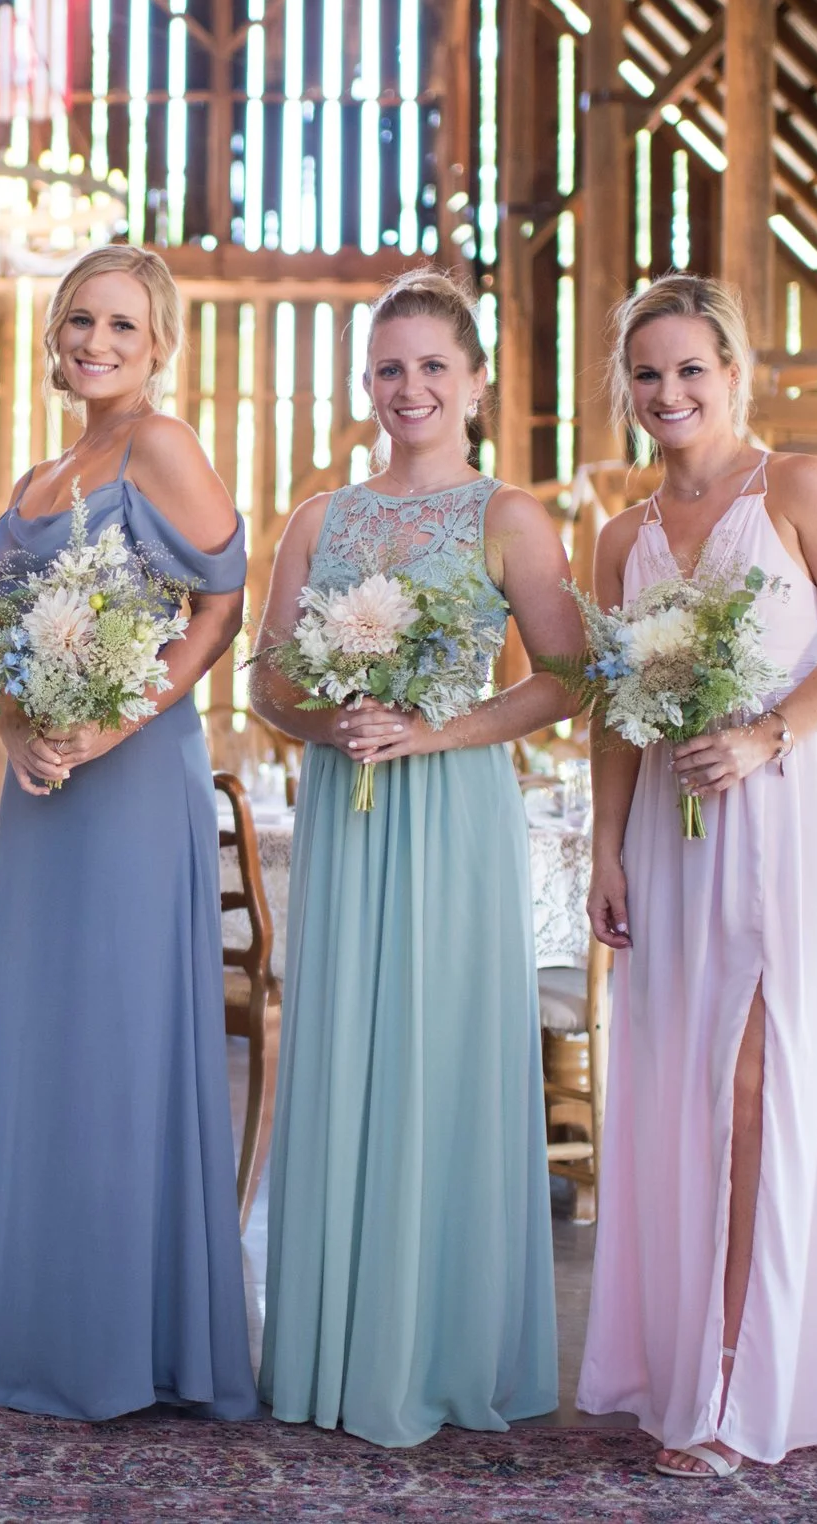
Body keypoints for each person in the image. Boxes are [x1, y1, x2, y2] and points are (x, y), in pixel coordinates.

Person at [575, 274, 817, 1475]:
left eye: (689, 369)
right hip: (670, 840)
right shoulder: (620, 539)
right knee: (679, 1088)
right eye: (647, 373)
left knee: (758, 1083)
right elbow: (614, 708)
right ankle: (683, 1368)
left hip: (784, 812)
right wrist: (605, 846)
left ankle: (736, 1386)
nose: (668, 392)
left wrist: (770, 734)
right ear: (626, 387)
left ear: (732, 373)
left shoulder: (799, 489)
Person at [248, 267, 576, 1445]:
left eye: (433, 365)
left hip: (453, 816)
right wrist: (325, 719)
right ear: (366, 383)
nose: (410, 386)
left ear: (475, 382)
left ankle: (440, 1352)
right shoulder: (319, 520)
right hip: (349, 814)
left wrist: (435, 730)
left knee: (444, 1056)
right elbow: (266, 679)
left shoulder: (508, 516)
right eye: (389, 368)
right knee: (345, 1050)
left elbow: (566, 678)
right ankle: (336, 1353)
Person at [0, 244, 256, 1422]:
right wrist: (13, 734)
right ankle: (47, 1336)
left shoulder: (161, 445)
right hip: (42, 795)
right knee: (49, 1046)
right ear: (55, 335)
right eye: (80, 321)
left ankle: (136, 1346)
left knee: (124, 1045)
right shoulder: (39, 477)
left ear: (160, 345)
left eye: (122, 326)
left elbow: (221, 600)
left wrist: (114, 721)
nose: (96, 342)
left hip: (133, 777)